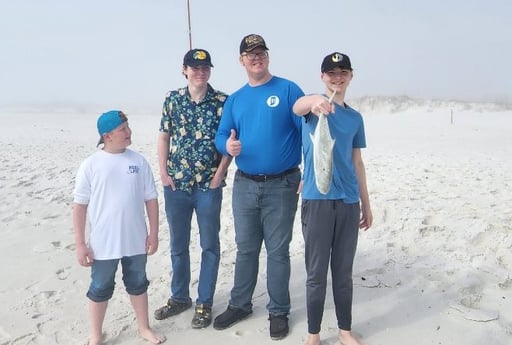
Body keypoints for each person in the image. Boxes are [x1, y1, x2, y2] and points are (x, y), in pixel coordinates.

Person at [213, 34, 304, 340]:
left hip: (282, 183)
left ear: (267, 56)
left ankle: (279, 311)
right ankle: (240, 304)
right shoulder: (236, 99)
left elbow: (307, 132)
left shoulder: (288, 89)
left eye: (261, 52)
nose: (256, 58)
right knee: (246, 249)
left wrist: (310, 172)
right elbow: (221, 134)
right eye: (250, 54)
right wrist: (227, 143)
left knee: (278, 251)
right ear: (241, 60)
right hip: (245, 185)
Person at [292, 52, 373, 345]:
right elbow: (297, 105)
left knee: (343, 272)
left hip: (348, 202)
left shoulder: (354, 118)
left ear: (351, 75)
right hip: (317, 200)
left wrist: (366, 202)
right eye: (331, 73)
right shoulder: (312, 111)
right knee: (315, 272)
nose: (337, 78)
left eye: (343, 73)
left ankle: (344, 330)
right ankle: (313, 333)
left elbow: (357, 162)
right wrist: (315, 101)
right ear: (322, 77)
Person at [72, 110, 165, 345]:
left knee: (138, 282)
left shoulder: (138, 161)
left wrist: (153, 233)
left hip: (135, 239)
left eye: (128, 126)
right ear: (107, 135)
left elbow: (151, 199)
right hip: (103, 243)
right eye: (123, 128)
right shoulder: (91, 165)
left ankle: (144, 327)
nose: (128, 132)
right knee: (101, 286)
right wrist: (81, 244)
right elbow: (79, 207)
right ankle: (95, 335)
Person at [154, 48, 231, 329]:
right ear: (184, 70)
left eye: (205, 68)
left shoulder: (223, 102)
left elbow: (230, 142)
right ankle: (179, 297)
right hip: (177, 184)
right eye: (194, 68)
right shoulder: (172, 99)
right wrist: (163, 172)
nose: (200, 72)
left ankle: (204, 302)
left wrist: (220, 174)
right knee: (178, 245)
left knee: (210, 245)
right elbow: (164, 137)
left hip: (208, 186)